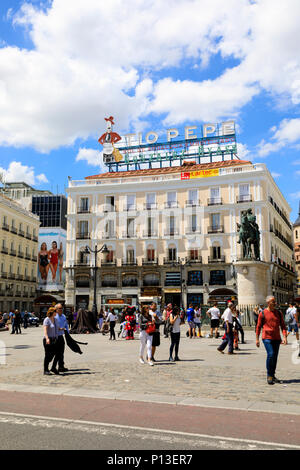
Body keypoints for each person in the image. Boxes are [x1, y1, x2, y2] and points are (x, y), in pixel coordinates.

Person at [256, 295, 287, 385]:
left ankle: (273, 375)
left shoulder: (278, 313)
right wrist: (257, 339)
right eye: (273, 301)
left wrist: (284, 337)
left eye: (275, 301)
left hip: (277, 338)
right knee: (271, 354)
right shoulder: (262, 313)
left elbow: (283, 326)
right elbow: (258, 327)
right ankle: (269, 375)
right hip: (267, 338)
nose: (275, 303)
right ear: (268, 303)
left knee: (275, 357)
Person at [52, 303, 69, 373]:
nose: (61, 310)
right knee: (56, 353)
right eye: (59, 309)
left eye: (62, 308)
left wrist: (67, 333)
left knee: (61, 352)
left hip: (61, 336)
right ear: (56, 309)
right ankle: (53, 367)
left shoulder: (63, 316)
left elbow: (66, 325)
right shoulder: (54, 317)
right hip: (55, 336)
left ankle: (61, 366)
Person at [42, 307, 59, 375]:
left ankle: (53, 367)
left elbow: (56, 328)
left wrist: (62, 329)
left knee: (57, 353)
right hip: (48, 339)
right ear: (52, 312)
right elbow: (45, 330)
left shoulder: (55, 319)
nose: (56, 313)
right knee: (48, 355)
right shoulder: (47, 320)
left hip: (55, 339)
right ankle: (46, 370)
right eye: (55, 311)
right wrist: (47, 338)